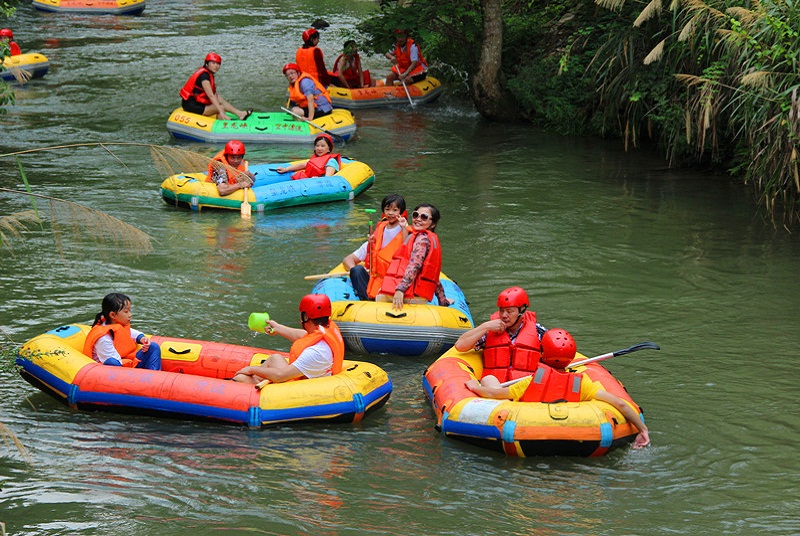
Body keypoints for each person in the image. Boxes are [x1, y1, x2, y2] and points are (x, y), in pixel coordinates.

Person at [465, 329, 650, 448]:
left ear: (542, 353)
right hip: (580, 436)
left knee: (489, 379)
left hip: (527, 433)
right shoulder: (582, 383)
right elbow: (621, 404)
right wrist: (643, 430)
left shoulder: (529, 382)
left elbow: (494, 393)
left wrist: (475, 386)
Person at [232, 294, 345, 385]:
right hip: (314, 374)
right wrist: (277, 328)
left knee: (241, 378)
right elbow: (303, 335)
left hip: (303, 387)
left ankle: (238, 388)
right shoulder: (326, 329)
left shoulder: (316, 352)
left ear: (305, 317)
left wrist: (251, 369)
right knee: (275, 359)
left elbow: (280, 375)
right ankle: (254, 382)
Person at [454, 286, 546, 383]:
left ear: (522, 311)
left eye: (509, 311)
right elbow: (460, 346)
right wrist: (485, 326)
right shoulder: (490, 330)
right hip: (495, 387)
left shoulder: (538, 331)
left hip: (526, 387)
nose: (504, 315)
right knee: (488, 380)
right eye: (501, 310)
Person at [376, 203, 451, 311]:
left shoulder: (422, 240)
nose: (418, 219)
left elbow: (414, 265)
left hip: (410, 296)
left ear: (433, 223)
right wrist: (443, 300)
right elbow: (433, 276)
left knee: (379, 297)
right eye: (416, 215)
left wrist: (400, 290)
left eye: (424, 217)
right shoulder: (422, 237)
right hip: (417, 295)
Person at [343, 194, 408, 301]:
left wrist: (404, 228)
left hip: (394, 283)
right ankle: (367, 300)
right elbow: (347, 260)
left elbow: (406, 245)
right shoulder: (373, 241)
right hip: (375, 282)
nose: (390, 213)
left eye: (395, 210)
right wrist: (357, 269)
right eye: (387, 209)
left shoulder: (404, 232)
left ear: (401, 212)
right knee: (357, 270)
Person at [83, 293, 162, 370]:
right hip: (115, 369)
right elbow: (116, 364)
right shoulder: (103, 338)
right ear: (113, 315)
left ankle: (153, 376)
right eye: (126, 312)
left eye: (129, 310)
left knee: (153, 347)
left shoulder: (118, 325)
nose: (130, 315)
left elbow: (131, 333)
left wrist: (142, 339)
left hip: (126, 361)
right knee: (112, 362)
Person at [179, 52, 252, 121]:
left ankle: (240, 114)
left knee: (218, 98)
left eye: (218, 64)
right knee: (220, 107)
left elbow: (213, 95)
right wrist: (221, 111)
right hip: (191, 105)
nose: (216, 66)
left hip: (197, 101)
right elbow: (210, 96)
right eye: (213, 63)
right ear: (207, 64)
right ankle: (223, 121)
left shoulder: (207, 73)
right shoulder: (204, 77)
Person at [276, 133, 340, 180]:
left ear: (329, 148)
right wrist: (286, 169)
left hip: (317, 184)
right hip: (308, 180)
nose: (319, 148)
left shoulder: (331, 161)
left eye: (323, 146)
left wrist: (318, 180)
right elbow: (303, 164)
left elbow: (328, 179)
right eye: (317, 146)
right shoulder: (315, 158)